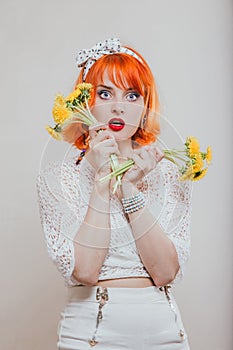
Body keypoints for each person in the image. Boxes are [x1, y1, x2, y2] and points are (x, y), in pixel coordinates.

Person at [37, 38, 192, 349]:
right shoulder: (61, 176)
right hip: (90, 332)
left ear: (145, 106)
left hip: (164, 333)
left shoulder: (170, 173)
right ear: (85, 102)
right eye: (105, 93)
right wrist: (104, 184)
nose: (119, 106)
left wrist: (129, 187)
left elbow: (165, 272)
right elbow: (86, 270)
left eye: (132, 95)